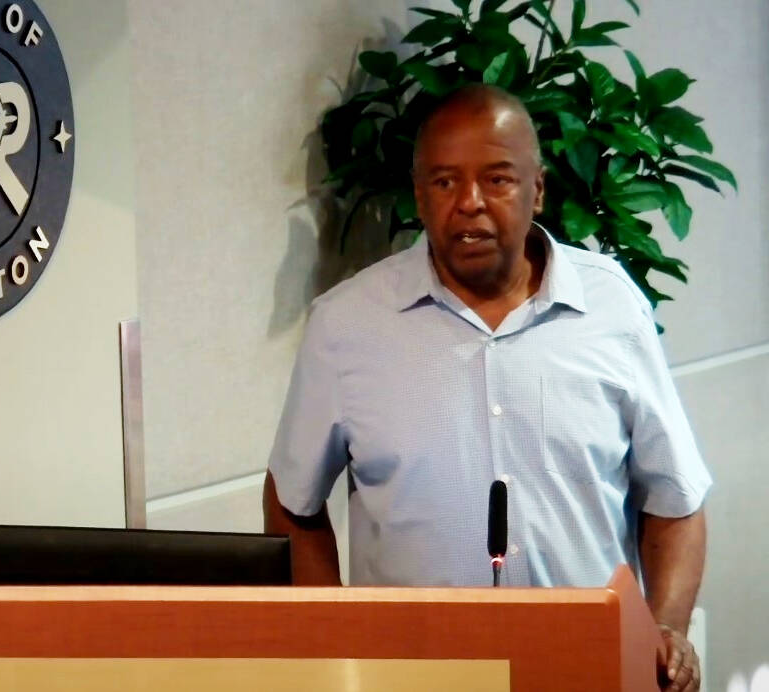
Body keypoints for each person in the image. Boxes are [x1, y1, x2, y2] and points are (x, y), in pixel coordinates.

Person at [264, 84, 710, 692]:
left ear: (538, 189)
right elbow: (291, 501)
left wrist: (667, 630)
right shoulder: (346, 325)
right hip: (413, 674)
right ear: (419, 196)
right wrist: (337, 636)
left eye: (497, 179)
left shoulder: (613, 306)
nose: (469, 203)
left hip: (589, 667)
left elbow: (676, 497)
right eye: (445, 183)